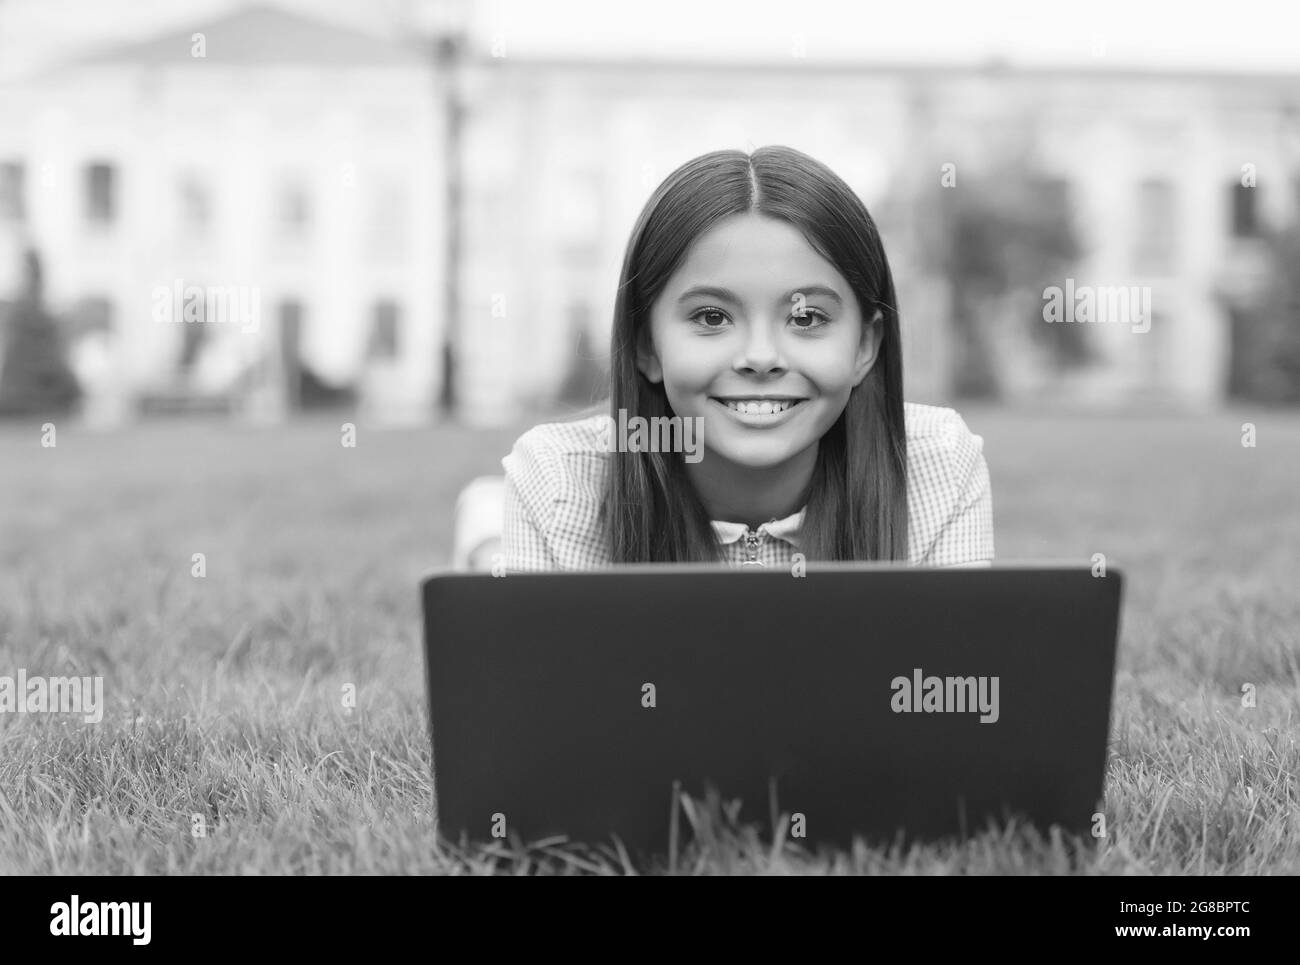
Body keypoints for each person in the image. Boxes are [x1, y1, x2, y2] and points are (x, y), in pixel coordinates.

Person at [500, 145, 993, 571]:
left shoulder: (937, 465)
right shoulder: (559, 481)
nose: (761, 358)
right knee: (489, 551)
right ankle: (484, 529)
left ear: (865, 346)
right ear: (646, 346)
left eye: (806, 319)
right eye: (712, 317)